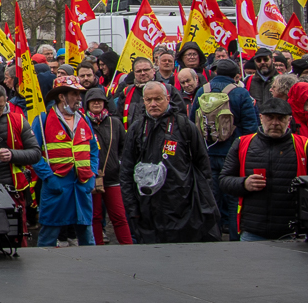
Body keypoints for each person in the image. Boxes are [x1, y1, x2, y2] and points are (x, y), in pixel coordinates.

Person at [120, 80, 220, 243]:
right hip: (147, 209)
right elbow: (126, 170)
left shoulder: (184, 127)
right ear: (143, 101)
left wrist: (202, 204)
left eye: (158, 99)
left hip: (182, 208)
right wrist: (132, 208)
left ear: (167, 98)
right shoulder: (137, 128)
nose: (153, 104)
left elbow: (203, 167)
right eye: (148, 100)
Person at [217, 97, 307, 241]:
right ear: (261, 118)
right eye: (270, 118)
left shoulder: (303, 145)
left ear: (289, 120)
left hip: (292, 232)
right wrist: (244, 184)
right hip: (253, 230)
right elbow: (223, 180)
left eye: (281, 118)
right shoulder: (242, 144)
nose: (275, 123)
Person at [193, 58, 258, 239]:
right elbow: (250, 127)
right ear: (236, 75)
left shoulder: (201, 91)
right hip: (233, 154)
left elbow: (192, 122)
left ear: (215, 72)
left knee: (211, 197)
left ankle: (212, 237)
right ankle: (234, 237)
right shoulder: (240, 93)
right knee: (233, 198)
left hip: (207, 153)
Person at [30, 76, 98, 247]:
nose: (79, 98)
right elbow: (33, 154)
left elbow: (94, 150)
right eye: (74, 94)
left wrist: (93, 175)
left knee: (86, 234)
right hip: (57, 186)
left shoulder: (84, 119)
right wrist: (49, 178)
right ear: (62, 96)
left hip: (81, 185)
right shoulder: (42, 120)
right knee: (48, 235)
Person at [82, 86, 131, 245]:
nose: (96, 103)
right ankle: (98, 250)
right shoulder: (82, 122)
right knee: (95, 217)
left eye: (100, 100)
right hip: (91, 177)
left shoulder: (115, 123)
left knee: (119, 216)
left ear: (105, 103)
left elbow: (124, 147)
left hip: (112, 177)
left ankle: (128, 247)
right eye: (92, 100)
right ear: (87, 103)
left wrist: (120, 163)